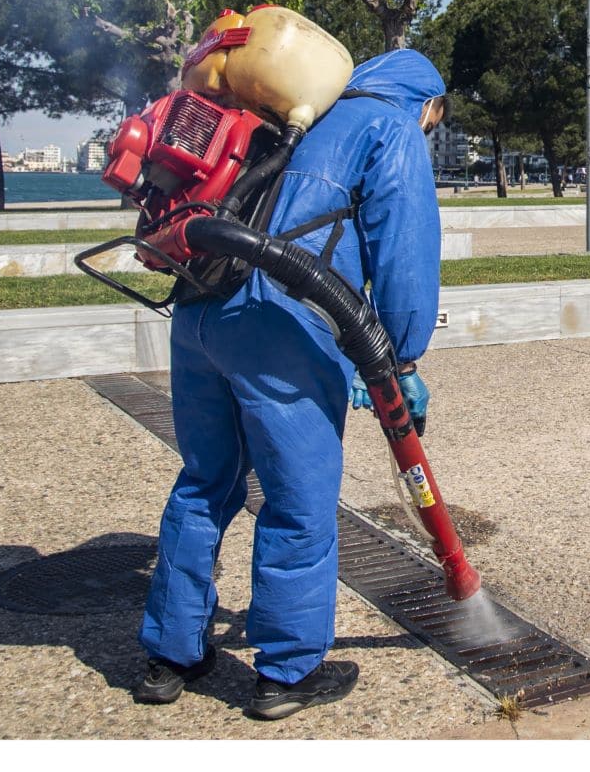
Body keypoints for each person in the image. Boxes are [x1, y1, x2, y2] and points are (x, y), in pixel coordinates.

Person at [134, 48, 447, 721]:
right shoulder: (389, 128)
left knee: (203, 481)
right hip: (281, 326)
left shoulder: (282, 116)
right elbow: (405, 250)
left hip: (198, 310)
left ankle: (170, 654)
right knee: (298, 501)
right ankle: (287, 671)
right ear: (427, 105)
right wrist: (403, 359)